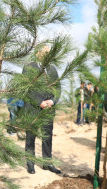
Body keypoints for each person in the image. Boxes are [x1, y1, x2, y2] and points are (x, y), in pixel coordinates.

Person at [24, 46, 62, 174]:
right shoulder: (29, 67)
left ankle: (47, 163)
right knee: (30, 137)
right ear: (38, 52)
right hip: (33, 108)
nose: (47, 55)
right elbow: (28, 89)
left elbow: (58, 88)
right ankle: (30, 163)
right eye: (45, 52)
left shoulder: (52, 69)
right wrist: (39, 102)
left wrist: (52, 101)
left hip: (49, 109)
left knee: (47, 137)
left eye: (49, 52)